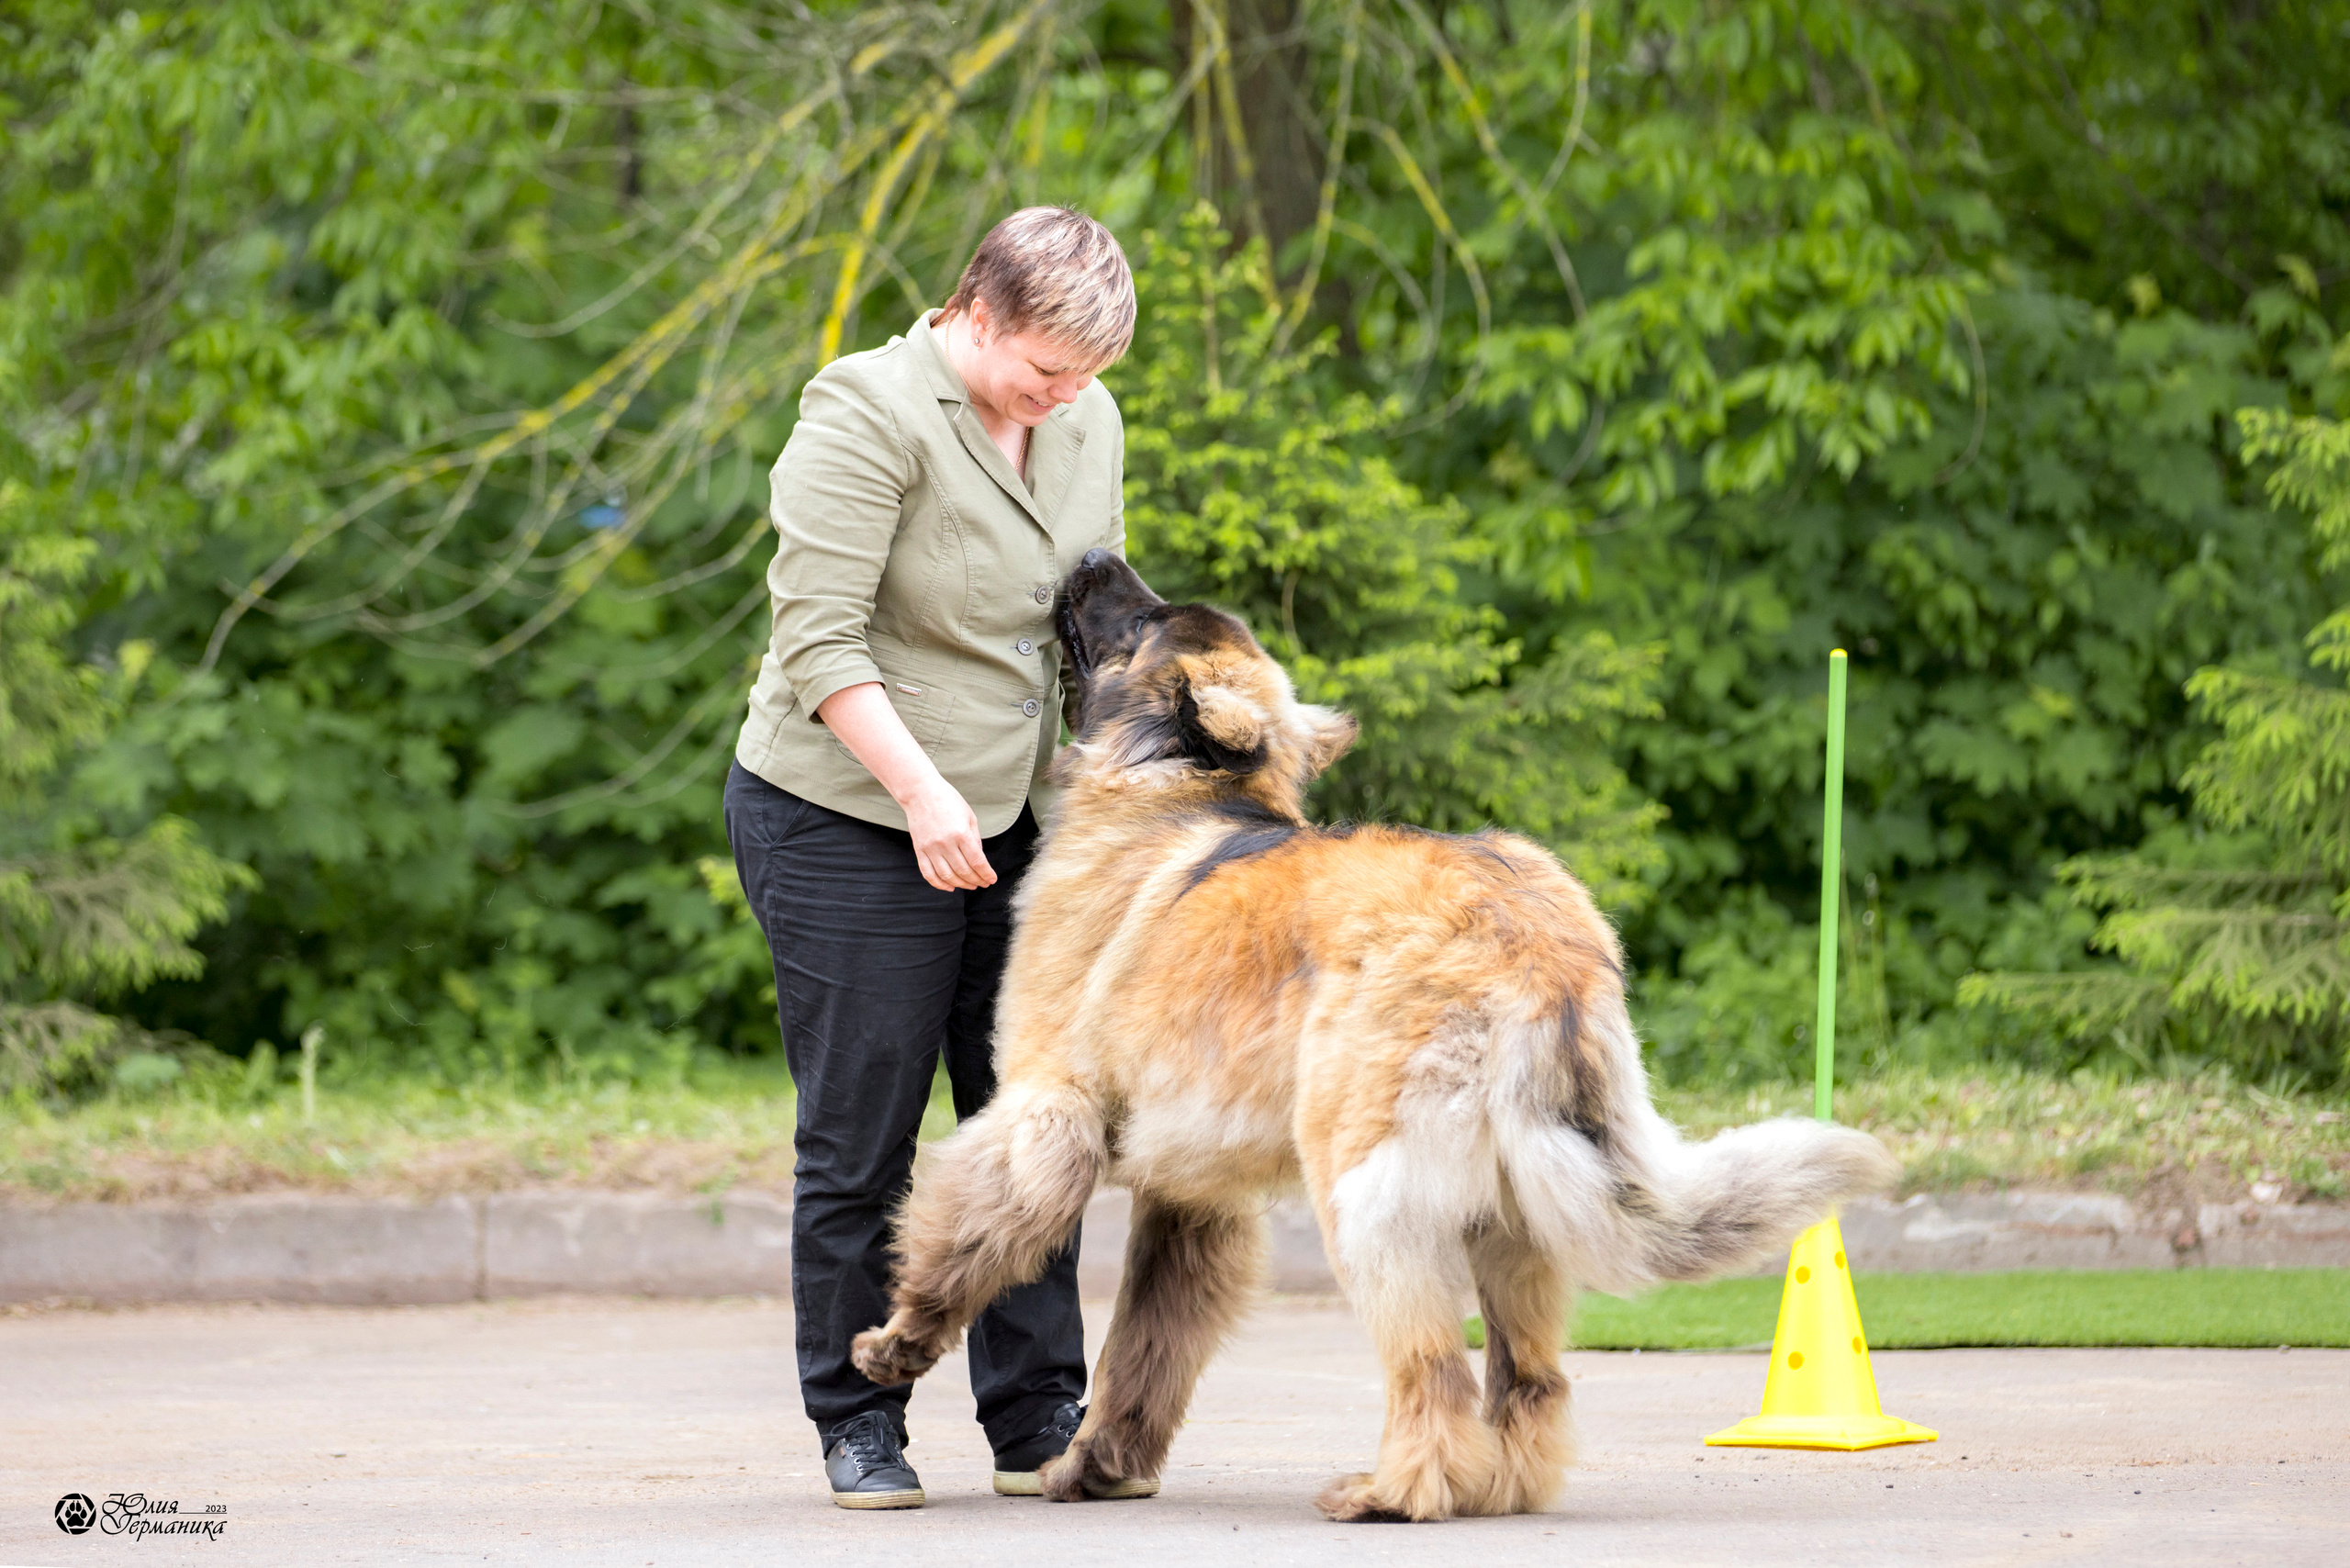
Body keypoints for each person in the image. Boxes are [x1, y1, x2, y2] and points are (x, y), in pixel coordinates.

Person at [722, 207, 1136, 1510]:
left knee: (1033, 1116)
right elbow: (821, 645)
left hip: (1013, 813)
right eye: (1046, 369)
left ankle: (1036, 1415)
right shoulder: (865, 413)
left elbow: (1088, 613)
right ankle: (858, 1417)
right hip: (850, 810)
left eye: (1087, 377)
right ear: (978, 309)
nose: (1066, 397)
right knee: (865, 1136)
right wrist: (922, 796)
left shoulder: (1084, 420)